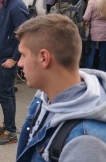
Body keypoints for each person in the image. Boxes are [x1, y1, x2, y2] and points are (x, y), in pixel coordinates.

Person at [15, 14, 106, 161]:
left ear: (44, 58)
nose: (20, 63)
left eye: (23, 55)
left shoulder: (86, 141)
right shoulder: (43, 96)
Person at [0, 0, 28, 145]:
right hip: (2, 56)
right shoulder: (5, 3)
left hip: (8, 58)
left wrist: (14, 58)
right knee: (8, 92)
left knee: (4, 93)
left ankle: (11, 132)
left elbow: (24, 35)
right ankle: (8, 125)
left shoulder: (17, 6)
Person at [83, 0, 106, 71]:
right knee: (103, 55)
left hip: (93, 31)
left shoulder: (92, 1)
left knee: (91, 53)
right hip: (105, 31)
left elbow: (86, 17)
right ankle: (103, 75)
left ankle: (88, 73)